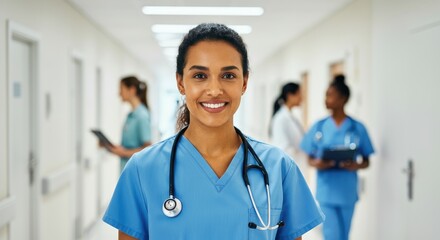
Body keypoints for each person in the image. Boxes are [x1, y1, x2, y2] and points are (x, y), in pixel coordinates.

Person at [103, 23, 324, 240]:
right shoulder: (142, 170)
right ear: (180, 82)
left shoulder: (279, 168)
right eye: (200, 76)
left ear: (244, 82)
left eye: (228, 76)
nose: (215, 90)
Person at [300, 74, 374, 240]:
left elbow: (367, 160)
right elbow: (309, 158)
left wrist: (356, 165)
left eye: (330, 95)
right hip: (327, 190)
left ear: (343, 99)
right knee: (332, 235)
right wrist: (318, 163)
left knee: (344, 235)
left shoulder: (357, 127)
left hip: (347, 190)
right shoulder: (319, 126)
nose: (325, 99)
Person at [108, 76, 152, 171]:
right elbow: (130, 145)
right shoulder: (131, 115)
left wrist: (124, 152)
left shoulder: (142, 115)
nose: (119, 93)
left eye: (121, 89)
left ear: (132, 90)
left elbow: (147, 149)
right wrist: (113, 147)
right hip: (126, 169)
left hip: (135, 172)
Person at [270, 82, 309, 176]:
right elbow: (283, 148)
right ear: (290, 96)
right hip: (288, 171)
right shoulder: (281, 118)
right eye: (299, 94)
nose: (302, 98)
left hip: (297, 168)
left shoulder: (290, 117)